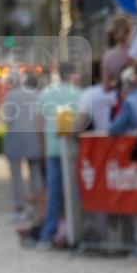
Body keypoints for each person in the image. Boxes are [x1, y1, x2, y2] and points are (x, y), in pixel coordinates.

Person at [36, 63, 81, 249]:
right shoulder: (78, 93)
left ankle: (48, 233)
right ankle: (77, 231)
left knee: (54, 192)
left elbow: (39, 126)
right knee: (75, 192)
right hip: (72, 148)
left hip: (52, 148)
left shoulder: (45, 93)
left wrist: (42, 149)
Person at [2, 73, 44, 219]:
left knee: (16, 176)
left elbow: (8, 120)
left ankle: (19, 207)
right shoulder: (37, 94)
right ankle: (38, 206)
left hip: (16, 138)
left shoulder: (10, 96)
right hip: (34, 138)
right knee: (36, 174)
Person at [101, 16, 132, 87]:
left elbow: (106, 86)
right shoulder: (136, 52)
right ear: (129, 31)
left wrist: (116, 84)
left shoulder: (107, 56)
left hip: (117, 95)